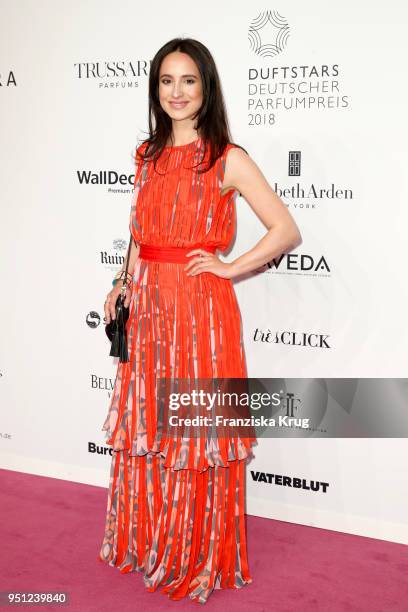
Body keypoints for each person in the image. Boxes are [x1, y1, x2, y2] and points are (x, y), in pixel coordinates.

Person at [98, 37, 302, 604]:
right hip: (148, 314)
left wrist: (230, 267)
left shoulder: (225, 157)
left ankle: (195, 552)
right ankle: (153, 541)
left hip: (199, 314)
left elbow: (284, 230)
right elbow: (141, 235)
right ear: (155, 89)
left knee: (194, 433)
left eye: (189, 81)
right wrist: (122, 280)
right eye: (166, 81)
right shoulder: (146, 156)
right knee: (152, 432)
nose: (177, 92)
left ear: (206, 88)